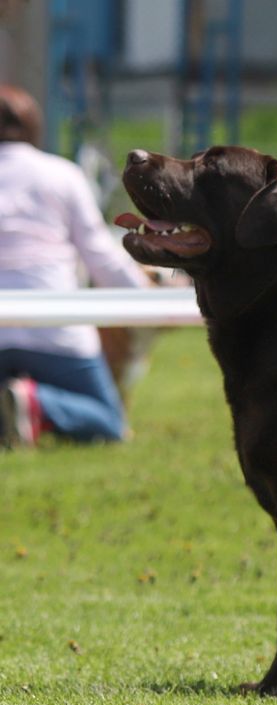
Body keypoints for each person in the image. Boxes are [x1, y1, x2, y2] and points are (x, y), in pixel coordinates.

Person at [0, 85, 151, 448]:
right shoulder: (62, 174)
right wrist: (146, 298)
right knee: (108, 420)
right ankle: (37, 404)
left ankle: (13, 406)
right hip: (56, 323)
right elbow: (98, 252)